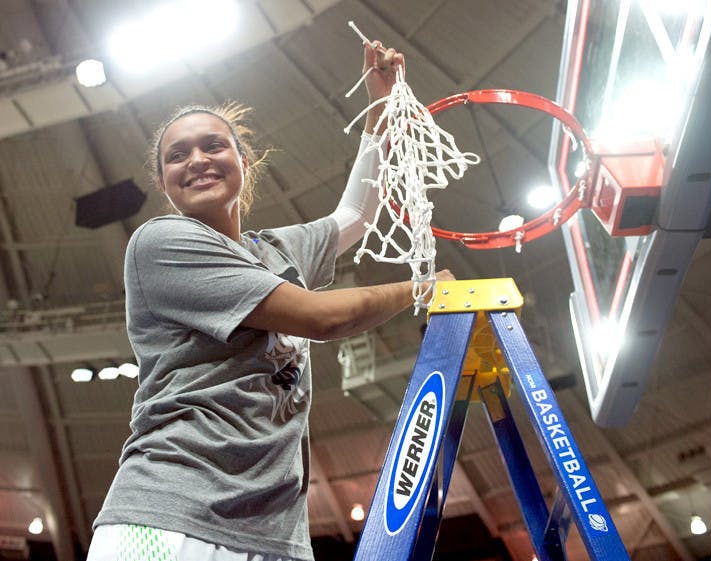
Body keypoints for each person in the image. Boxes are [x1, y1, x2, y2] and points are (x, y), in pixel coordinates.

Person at [88, 39, 454, 561]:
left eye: (213, 146)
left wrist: (379, 109)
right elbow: (326, 318)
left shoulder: (275, 250)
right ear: (165, 183)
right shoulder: (162, 242)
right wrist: (423, 288)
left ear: (243, 160)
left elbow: (356, 216)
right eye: (177, 155)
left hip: (272, 532)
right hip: (168, 514)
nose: (197, 160)